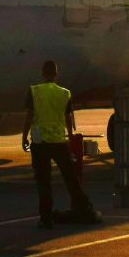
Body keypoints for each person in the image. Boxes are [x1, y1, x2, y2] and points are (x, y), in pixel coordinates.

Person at [21, 60, 99, 229]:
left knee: (43, 182)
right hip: (58, 141)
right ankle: (84, 208)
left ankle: (46, 218)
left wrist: (24, 136)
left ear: (42, 73)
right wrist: (70, 138)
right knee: (70, 177)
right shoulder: (65, 93)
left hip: (40, 142)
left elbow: (29, 116)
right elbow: (68, 118)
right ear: (56, 74)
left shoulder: (34, 91)